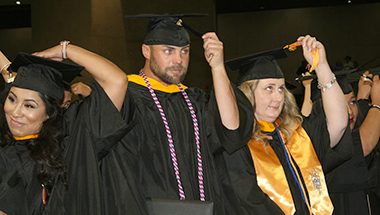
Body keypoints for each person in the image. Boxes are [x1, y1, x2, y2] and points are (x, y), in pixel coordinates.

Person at [99, 14, 254, 214]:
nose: (178, 60)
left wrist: (217, 67)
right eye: (168, 51)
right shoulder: (128, 99)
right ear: (146, 51)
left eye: (185, 51)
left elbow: (231, 130)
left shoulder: (194, 100)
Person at [218, 35, 353, 215]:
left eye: (281, 88)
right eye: (269, 88)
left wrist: (321, 66)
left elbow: (338, 123)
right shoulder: (237, 144)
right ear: (247, 94)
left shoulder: (296, 134)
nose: (278, 97)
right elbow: (247, 202)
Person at [0, 42, 129, 214]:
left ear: (49, 113)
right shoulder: (4, 146)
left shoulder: (69, 143)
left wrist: (65, 50)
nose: (16, 112)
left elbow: (117, 81)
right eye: (12, 99)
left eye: (29, 106)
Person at [301, 70, 380, 215]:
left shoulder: (352, 131)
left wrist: (362, 99)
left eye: (352, 102)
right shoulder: (317, 146)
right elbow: (364, 144)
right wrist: (377, 104)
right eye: (340, 105)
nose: (349, 111)